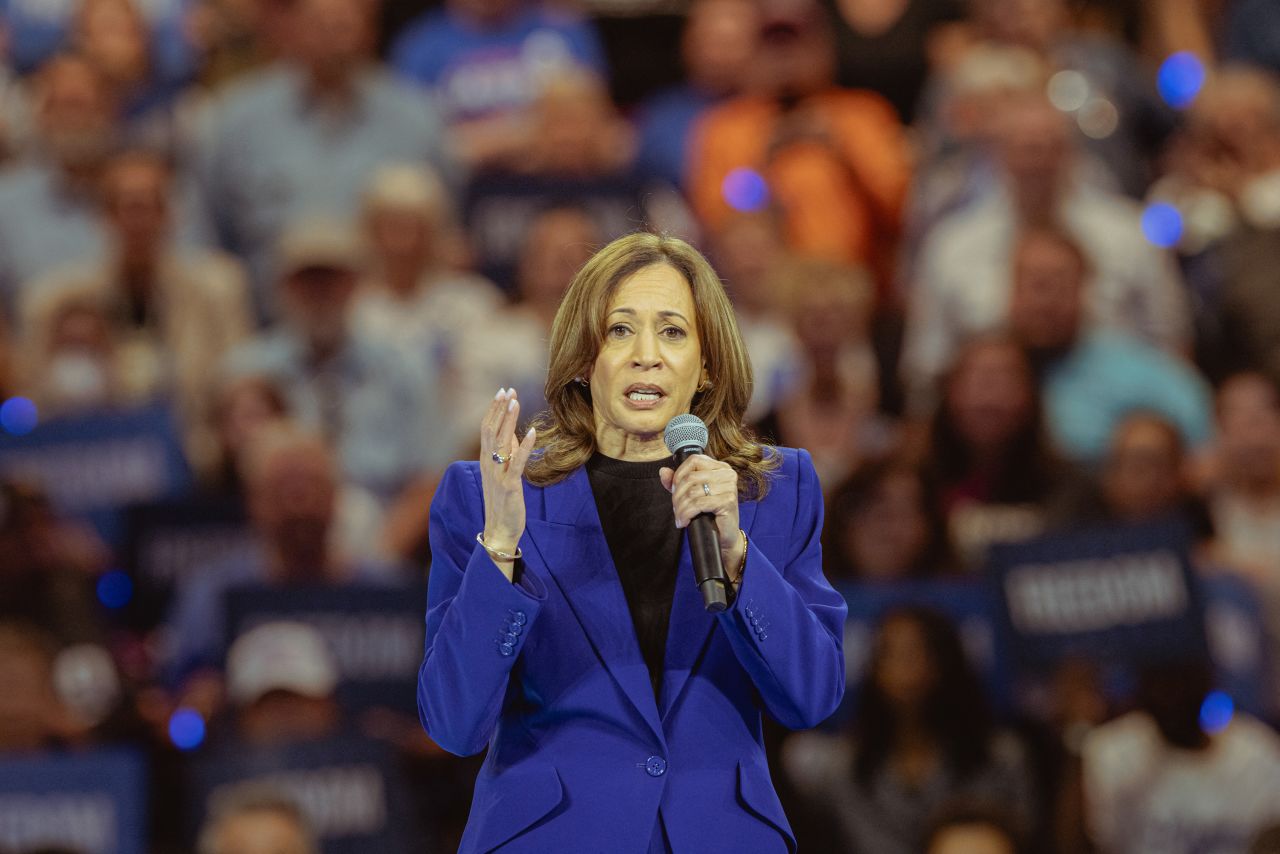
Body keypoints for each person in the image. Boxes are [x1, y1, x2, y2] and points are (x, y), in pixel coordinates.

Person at [418, 232, 847, 852]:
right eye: (620, 330)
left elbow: (811, 698)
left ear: (706, 367)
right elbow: (455, 724)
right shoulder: (490, 492)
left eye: (672, 332)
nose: (647, 355)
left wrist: (738, 557)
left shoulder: (772, 492)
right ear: (583, 359)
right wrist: (502, 547)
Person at [782, 606, 1036, 854]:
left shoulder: (1002, 759)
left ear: (947, 661)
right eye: (890, 654)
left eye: (917, 653)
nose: (904, 671)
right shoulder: (842, 770)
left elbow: (1026, 836)